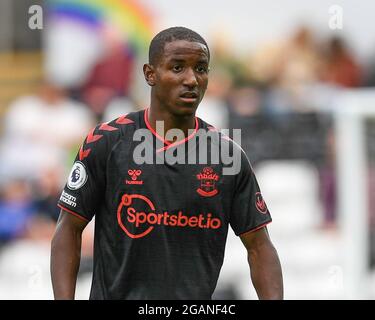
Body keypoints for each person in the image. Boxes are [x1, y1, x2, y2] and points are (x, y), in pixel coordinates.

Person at [51, 26, 283, 300]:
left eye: (200, 68)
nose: (192, 79)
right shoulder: (107, 142)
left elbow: (260, 247)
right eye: (177, 68)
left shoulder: (226, 156)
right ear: (150, 74)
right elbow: (68, 229)